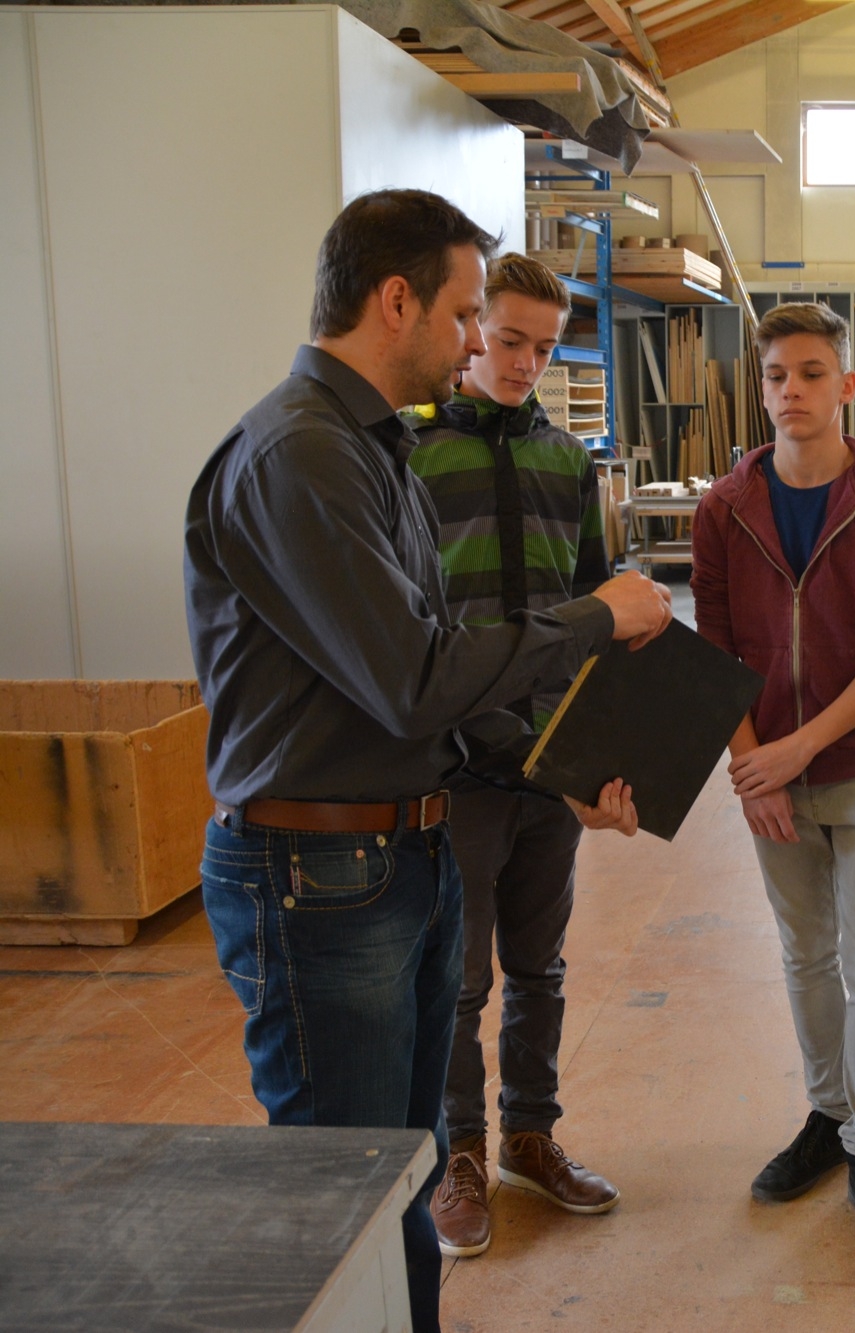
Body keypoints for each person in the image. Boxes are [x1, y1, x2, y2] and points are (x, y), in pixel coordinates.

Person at [184, 190, 670, 1332]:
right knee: (344, 1202)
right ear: (395, 301)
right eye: (464, 316)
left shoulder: (373, 447)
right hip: (319, 878)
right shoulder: (302, 455)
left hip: (401, 850)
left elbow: (430, 678)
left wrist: (565, 771)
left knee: (393, 1182)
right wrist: (595, 616)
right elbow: (416, 678)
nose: (473, 343)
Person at [691, 301, 855, 1260]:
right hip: (770, 771)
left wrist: (800, 749)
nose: (790, 390)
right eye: (775, 376)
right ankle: (828, 1114)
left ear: (846, 385)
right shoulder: (725, 509)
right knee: (805, 956)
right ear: (759, 389)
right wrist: (754, 766)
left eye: (809, 373)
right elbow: (716, 647)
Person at [405, 253, 621, 1259]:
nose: (527, 361)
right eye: (509, 340)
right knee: (457, 982)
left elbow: (596, 616)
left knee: (540, 966)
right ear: (472, 333)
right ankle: (459, 1157)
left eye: (544, 346)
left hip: (547, 766)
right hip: (454, 772)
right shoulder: (413, 459)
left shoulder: (570, 464)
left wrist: (591, 757)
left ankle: (529, 1136)